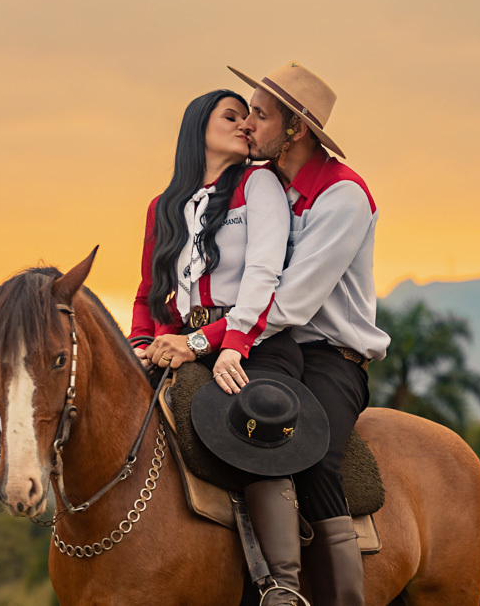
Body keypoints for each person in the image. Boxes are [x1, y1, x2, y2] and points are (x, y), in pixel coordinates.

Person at [127, 89, 311, 605]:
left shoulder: (260, 184)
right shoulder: (162, 206)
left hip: (253, 340)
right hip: (178, 344)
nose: (246, 125)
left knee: (255, 423)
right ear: (197, 129)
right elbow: (147, 293)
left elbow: (263, 275)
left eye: (250, 117)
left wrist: (208, 341)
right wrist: (143, 344)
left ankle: (282, 586)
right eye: (231, 117)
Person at [228, 61, 391, 605]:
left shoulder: (342, 196)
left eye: (260, 113)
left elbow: (293, 303)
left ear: (295, 129)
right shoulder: (267, 186)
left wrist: (214, 339)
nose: (247, 123)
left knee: (313, 455)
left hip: (331, 357)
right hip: (269, 346)